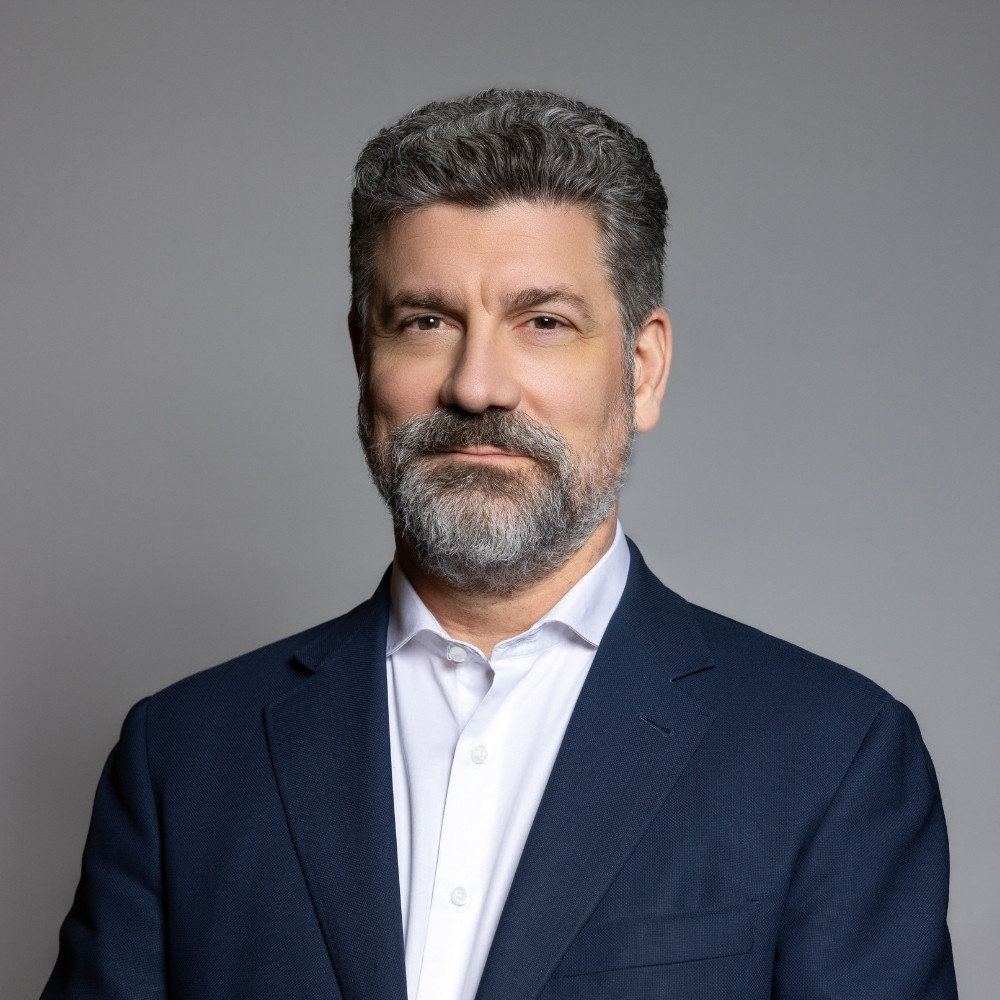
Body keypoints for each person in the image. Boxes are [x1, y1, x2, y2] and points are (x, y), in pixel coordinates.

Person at [42, 89, 958, 1000]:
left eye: (544, 322)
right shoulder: (181, 758)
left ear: (642, 371)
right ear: (363, 358)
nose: (476, 386)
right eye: (427, 321)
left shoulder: (832, 755)